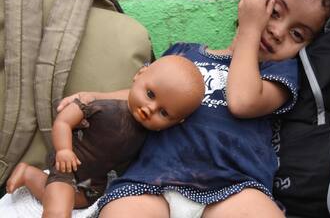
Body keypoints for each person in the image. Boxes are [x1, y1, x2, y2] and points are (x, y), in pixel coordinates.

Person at [57, 0, 330, 218]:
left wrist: (251, 29)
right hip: (153, 181)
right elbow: (143, 95)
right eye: (275, 11)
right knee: (122, 212)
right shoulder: (183, 54)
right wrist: (94, 97)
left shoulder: (279, 74)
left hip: (234, 187)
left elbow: (242, 101)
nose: (278, 32)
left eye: (297, 34)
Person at [5, 55, 205, 218]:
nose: (149, 109)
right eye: (150, 94)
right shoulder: (106, 106)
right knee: (58, 210)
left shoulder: (149, 136)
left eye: (164, 113)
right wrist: (64, 150)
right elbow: (64, 120)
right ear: (139, 75)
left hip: (94, 183)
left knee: (78, 201)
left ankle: (29, 175)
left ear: (176, 122)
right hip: (69, 166)